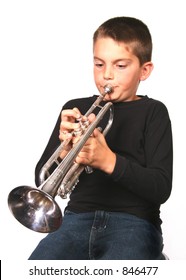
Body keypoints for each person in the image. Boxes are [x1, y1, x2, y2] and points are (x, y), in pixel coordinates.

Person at [28, 16, 173, 260]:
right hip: (75, 219)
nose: (106, 75)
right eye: (99, 64)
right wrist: (65, 151)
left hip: (134, 223)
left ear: (144, 70)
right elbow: (41, 179)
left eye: (120, 65)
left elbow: (161, 187)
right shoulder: (75, 109)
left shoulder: (154, 112)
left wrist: (107, 160)